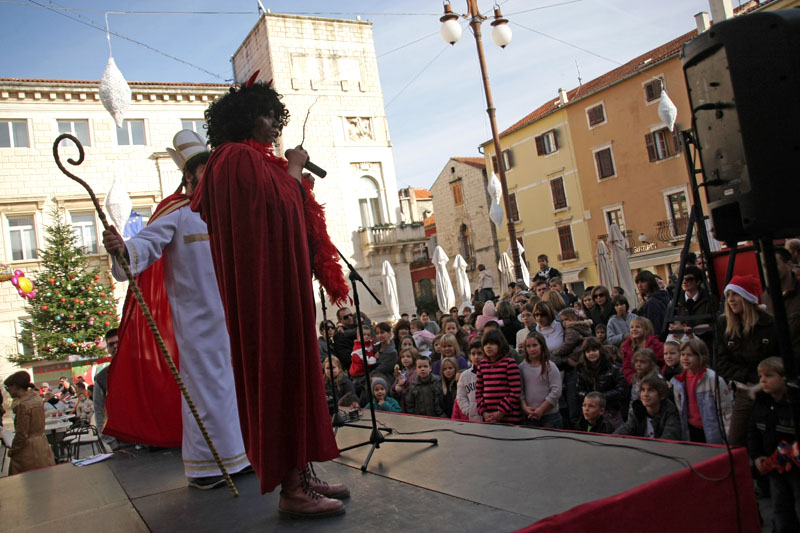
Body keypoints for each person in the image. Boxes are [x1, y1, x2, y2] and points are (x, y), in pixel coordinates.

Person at [190, 78, 347, 517]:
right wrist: (294, 167)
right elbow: (279, 205)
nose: (274, 125)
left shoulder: (241, 161)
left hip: (276, 285)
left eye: (276, 117)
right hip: (267, 293)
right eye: (266, 115)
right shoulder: (236, 158)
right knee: (281, 377)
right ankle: (293, 491)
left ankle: (301, 471)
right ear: (245, 118)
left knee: (294, 375)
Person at [103, 129, 250, 491]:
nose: (210, 175)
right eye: (203, 168)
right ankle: (206, 468)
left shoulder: (227, 211)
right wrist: (121, 249)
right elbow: (145, 246)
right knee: (204, 391)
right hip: (197, 325)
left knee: (235, 389)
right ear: (188, 175)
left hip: (233, 320)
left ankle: (239, 458)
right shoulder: (176, 212)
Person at [715, 275, 778, 447]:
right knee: (735, 442)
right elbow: (721, 363)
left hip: (771, 392)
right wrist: (749, 376)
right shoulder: (724, 325)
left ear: (747, 297)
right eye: (728, 295)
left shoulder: (769, 324)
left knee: (771, 441)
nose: (731, 300)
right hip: (745, 392)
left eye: (735, 295)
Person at [748, 357, 800, 532]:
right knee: (780, 504)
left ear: (783, 378)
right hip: (773, 465)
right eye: (760, 376)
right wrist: (757, 457)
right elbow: (753, 432)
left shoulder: (793, 403)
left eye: (769, 375)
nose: (763, 380)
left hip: (795, 466)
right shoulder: (760, 403)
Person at [671, 339, 732, 444]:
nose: (685, 358)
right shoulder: (678, 382)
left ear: (701, 356)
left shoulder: (713, 379)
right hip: (691, 431)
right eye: (682, 354)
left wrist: (727, 437)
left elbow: (726, 411)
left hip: (713, 433)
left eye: (689, 355)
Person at [4, 371, 55, 474]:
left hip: (28, 450)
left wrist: (13, 451)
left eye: (8, 387)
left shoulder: (23, 405)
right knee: (44, 477)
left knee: (28, 481)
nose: (8, 391)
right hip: (42, 444)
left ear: (15, 386)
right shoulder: (37, 399)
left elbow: (21, 434)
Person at [576, 338, 627, 428]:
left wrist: (600, 398)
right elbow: (579, 390)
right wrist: (590, 398)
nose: (591, 353)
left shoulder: (613, 369)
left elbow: (621, 390)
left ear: (600, 350)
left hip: (611, 411)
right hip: (591, 413)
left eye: (594, 350)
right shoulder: (581, 370)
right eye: (588, 351)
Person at [476, 329, 522, 424]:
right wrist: (484, 412)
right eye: (485, 344)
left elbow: (515, 392)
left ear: (500, 345)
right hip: (489, 418)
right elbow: (478, 392)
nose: (488, 346)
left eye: (492, 344)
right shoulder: (482, 365)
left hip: (509, 418)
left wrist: (501, 412)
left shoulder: (509, 363)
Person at [519, 331, 562, 428]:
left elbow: (556, 391)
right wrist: (524, 407)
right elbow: (520, 390)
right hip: (529, 415)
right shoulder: (522, 367)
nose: (532, 349)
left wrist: (541, 409)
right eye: (528, 346)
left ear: (542, 346)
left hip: (550, 417)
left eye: (535, 345)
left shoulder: (550, 366)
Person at [614, 376, 681, 440]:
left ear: (662, 395)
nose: (645, 394)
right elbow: (624, 430)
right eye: (643, 390)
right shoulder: (637, 410)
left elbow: (669, 439)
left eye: (650, 390)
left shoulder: (670, 412)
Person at [621, 316, 664, 385]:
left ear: (646, 329)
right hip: (636, 382)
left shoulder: (656, 345)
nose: (634, 329)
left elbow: (663, 363)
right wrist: (633, 379)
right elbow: (627, 367)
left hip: (655, 381)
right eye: (632, 327)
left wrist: (659, 377)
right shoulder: (627, 347)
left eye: (637, 327)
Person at [93, 328, 117, 447]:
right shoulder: (102, 378)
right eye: (111, 344)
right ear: (108, 348)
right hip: (120, 442)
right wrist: (110, 440)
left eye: (118, 342)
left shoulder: (140, 370)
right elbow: (99, 409)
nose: (115, 346)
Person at [456, 340, 485, 422]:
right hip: (474, 418)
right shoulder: (465, 375)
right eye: (473, 354)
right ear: (469, 356)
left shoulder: (491, 372)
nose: (476, 357)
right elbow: (461, 397)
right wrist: (469, 411)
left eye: (479, 353)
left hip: (491, 417)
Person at [634, 270, 669, 335]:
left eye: (643, 281)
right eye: (638, 282)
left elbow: (654, 327)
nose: (639, 285)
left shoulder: (652, 302)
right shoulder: (660, 297)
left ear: (650, 282)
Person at [392, 346, 419, 411]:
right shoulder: (401, 372)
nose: (405, 359)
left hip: (413, 407)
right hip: (402, 405)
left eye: (408, 356)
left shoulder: (416, 373)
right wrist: (395, 389)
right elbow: (393, 390)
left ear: (414, 358)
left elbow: (414, 389)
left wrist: (405, 383)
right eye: (403, 357)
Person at [333, 307, 357, 372]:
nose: (349, 317)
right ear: (340, 320)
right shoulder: (339, 335)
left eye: (350, 315)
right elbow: (346, 357)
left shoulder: (358, 327)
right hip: (354, 368)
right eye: (345, 317)